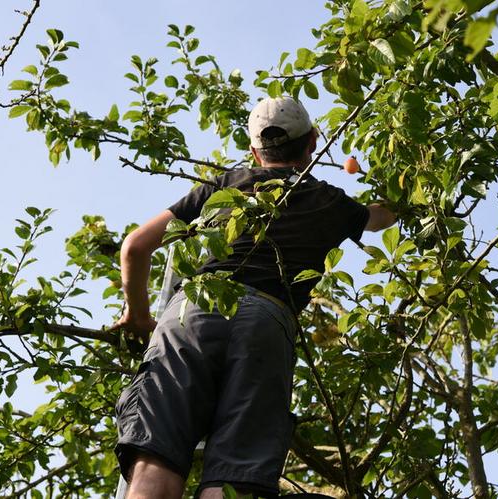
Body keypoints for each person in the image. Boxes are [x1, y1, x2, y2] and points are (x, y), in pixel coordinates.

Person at [112, 97, 396, 499]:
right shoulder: (331, 202)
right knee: (234, 477)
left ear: (254, 152)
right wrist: (400, 188)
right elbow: (381, 217)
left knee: (155, 457)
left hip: (192, 312)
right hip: (268, 321)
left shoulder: (225, 186)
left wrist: (139, 316)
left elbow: (136, 246)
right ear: (313, 142)